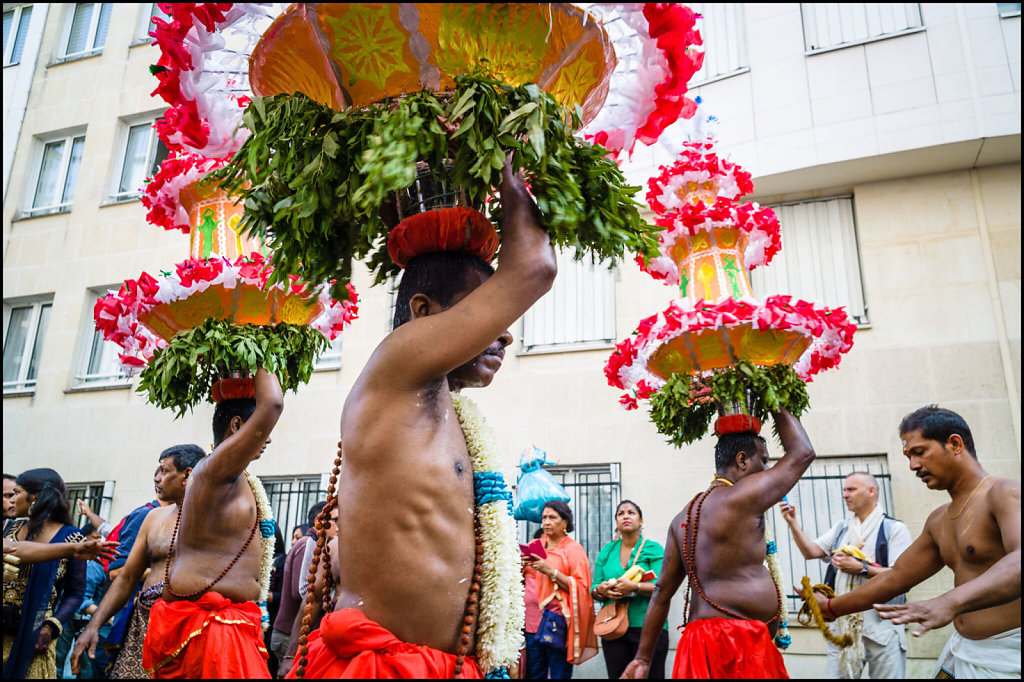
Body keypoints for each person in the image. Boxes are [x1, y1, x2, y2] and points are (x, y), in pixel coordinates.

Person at [291, 159, 556, 679]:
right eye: (483, 312)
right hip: (382, 667)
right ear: (422, 312)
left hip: (445, 666)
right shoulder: (396, 365)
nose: (505, 335)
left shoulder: (447, 410)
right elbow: (536, 269)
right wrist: (510, 169)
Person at [812, 406, 1021, 679]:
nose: (913, 466)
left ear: (955, 444)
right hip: (966, 652)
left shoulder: (1005, 493)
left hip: (1011, 655)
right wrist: (830, 608)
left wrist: (949, 602)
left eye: (920, 452)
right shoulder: (939, 520)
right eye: (908, 456)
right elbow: (895, 578)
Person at [622, 408, 816, 679]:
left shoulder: (684, 517)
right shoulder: (743, 496)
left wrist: (643, 659)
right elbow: (803, 453)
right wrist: (774, 398)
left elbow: (661, 592)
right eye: (765, 461)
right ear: (742, 461)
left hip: (698, 644)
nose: (769, 470)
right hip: (737, 644)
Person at [142, 368, 283, 678]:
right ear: (236, 426)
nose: (268, 438)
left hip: (229, 623)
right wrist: (263, 342)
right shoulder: (214, 469)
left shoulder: (235, 476)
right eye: (260, 429)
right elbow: (272, 404)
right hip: (212, 628)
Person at [70, 444, 206, 679]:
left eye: (164, 471)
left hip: (191, 632)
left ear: (187, 475)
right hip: (143, 628)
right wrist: (93, 626)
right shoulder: (151, 517)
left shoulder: (214, 520)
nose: (156, 477)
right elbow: (125, 576)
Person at [779, 473, 911, 678]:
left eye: (851, 489)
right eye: (843, 490)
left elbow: (904, 577)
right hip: (843, 628)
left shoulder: (894, 529)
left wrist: (862, 568)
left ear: (871, 491)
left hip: (883, 628)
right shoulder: (842, 528)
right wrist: (792, 522)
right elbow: (810, 552)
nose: (844, 495)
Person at [2, 468, 87, 679]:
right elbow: (21, 551)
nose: (12, 500)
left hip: (34, 638)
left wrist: (50, 628)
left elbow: (75, 594)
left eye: (16, 493)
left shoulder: (72, 538)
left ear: (35, 498)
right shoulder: (6, 528)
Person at [592, 500, 668, 679]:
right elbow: (594, 587)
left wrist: (635, 587)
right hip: (614, 628)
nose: (625, 516)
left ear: (641, 521)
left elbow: (663, 586)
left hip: (648, 627)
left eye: (631, 512)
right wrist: (602, 590)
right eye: (620, 513)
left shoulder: (653, 548)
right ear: (617, 521)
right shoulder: (607, 551)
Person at [525, 500, 598, 678]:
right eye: (544, 518)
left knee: (559, 675)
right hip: (531, 624)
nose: (546, 522)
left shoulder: (574, 550)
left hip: (558, 624)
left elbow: (582, 587)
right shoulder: (535, 545)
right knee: (534, 674)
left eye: (552, 517)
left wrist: (551, 571)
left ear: (565, 522)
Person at [271, 501, 325, 673]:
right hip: (289, 635)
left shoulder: (312, 543)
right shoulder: (308, 544)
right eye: (335, 520)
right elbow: (300, 591)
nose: (339, 527)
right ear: (319, 521)